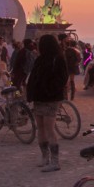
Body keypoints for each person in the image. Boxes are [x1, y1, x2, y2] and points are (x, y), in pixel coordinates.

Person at [26, 34, 69, 172]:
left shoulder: (59, 59)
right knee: (40, 128)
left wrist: (49, 91)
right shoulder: (40, 59)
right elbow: (33, 77)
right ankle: (45, 157)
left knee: (49, 128)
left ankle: (55, 161)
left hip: (50, 99)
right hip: (39, 98)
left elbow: (62, 79)